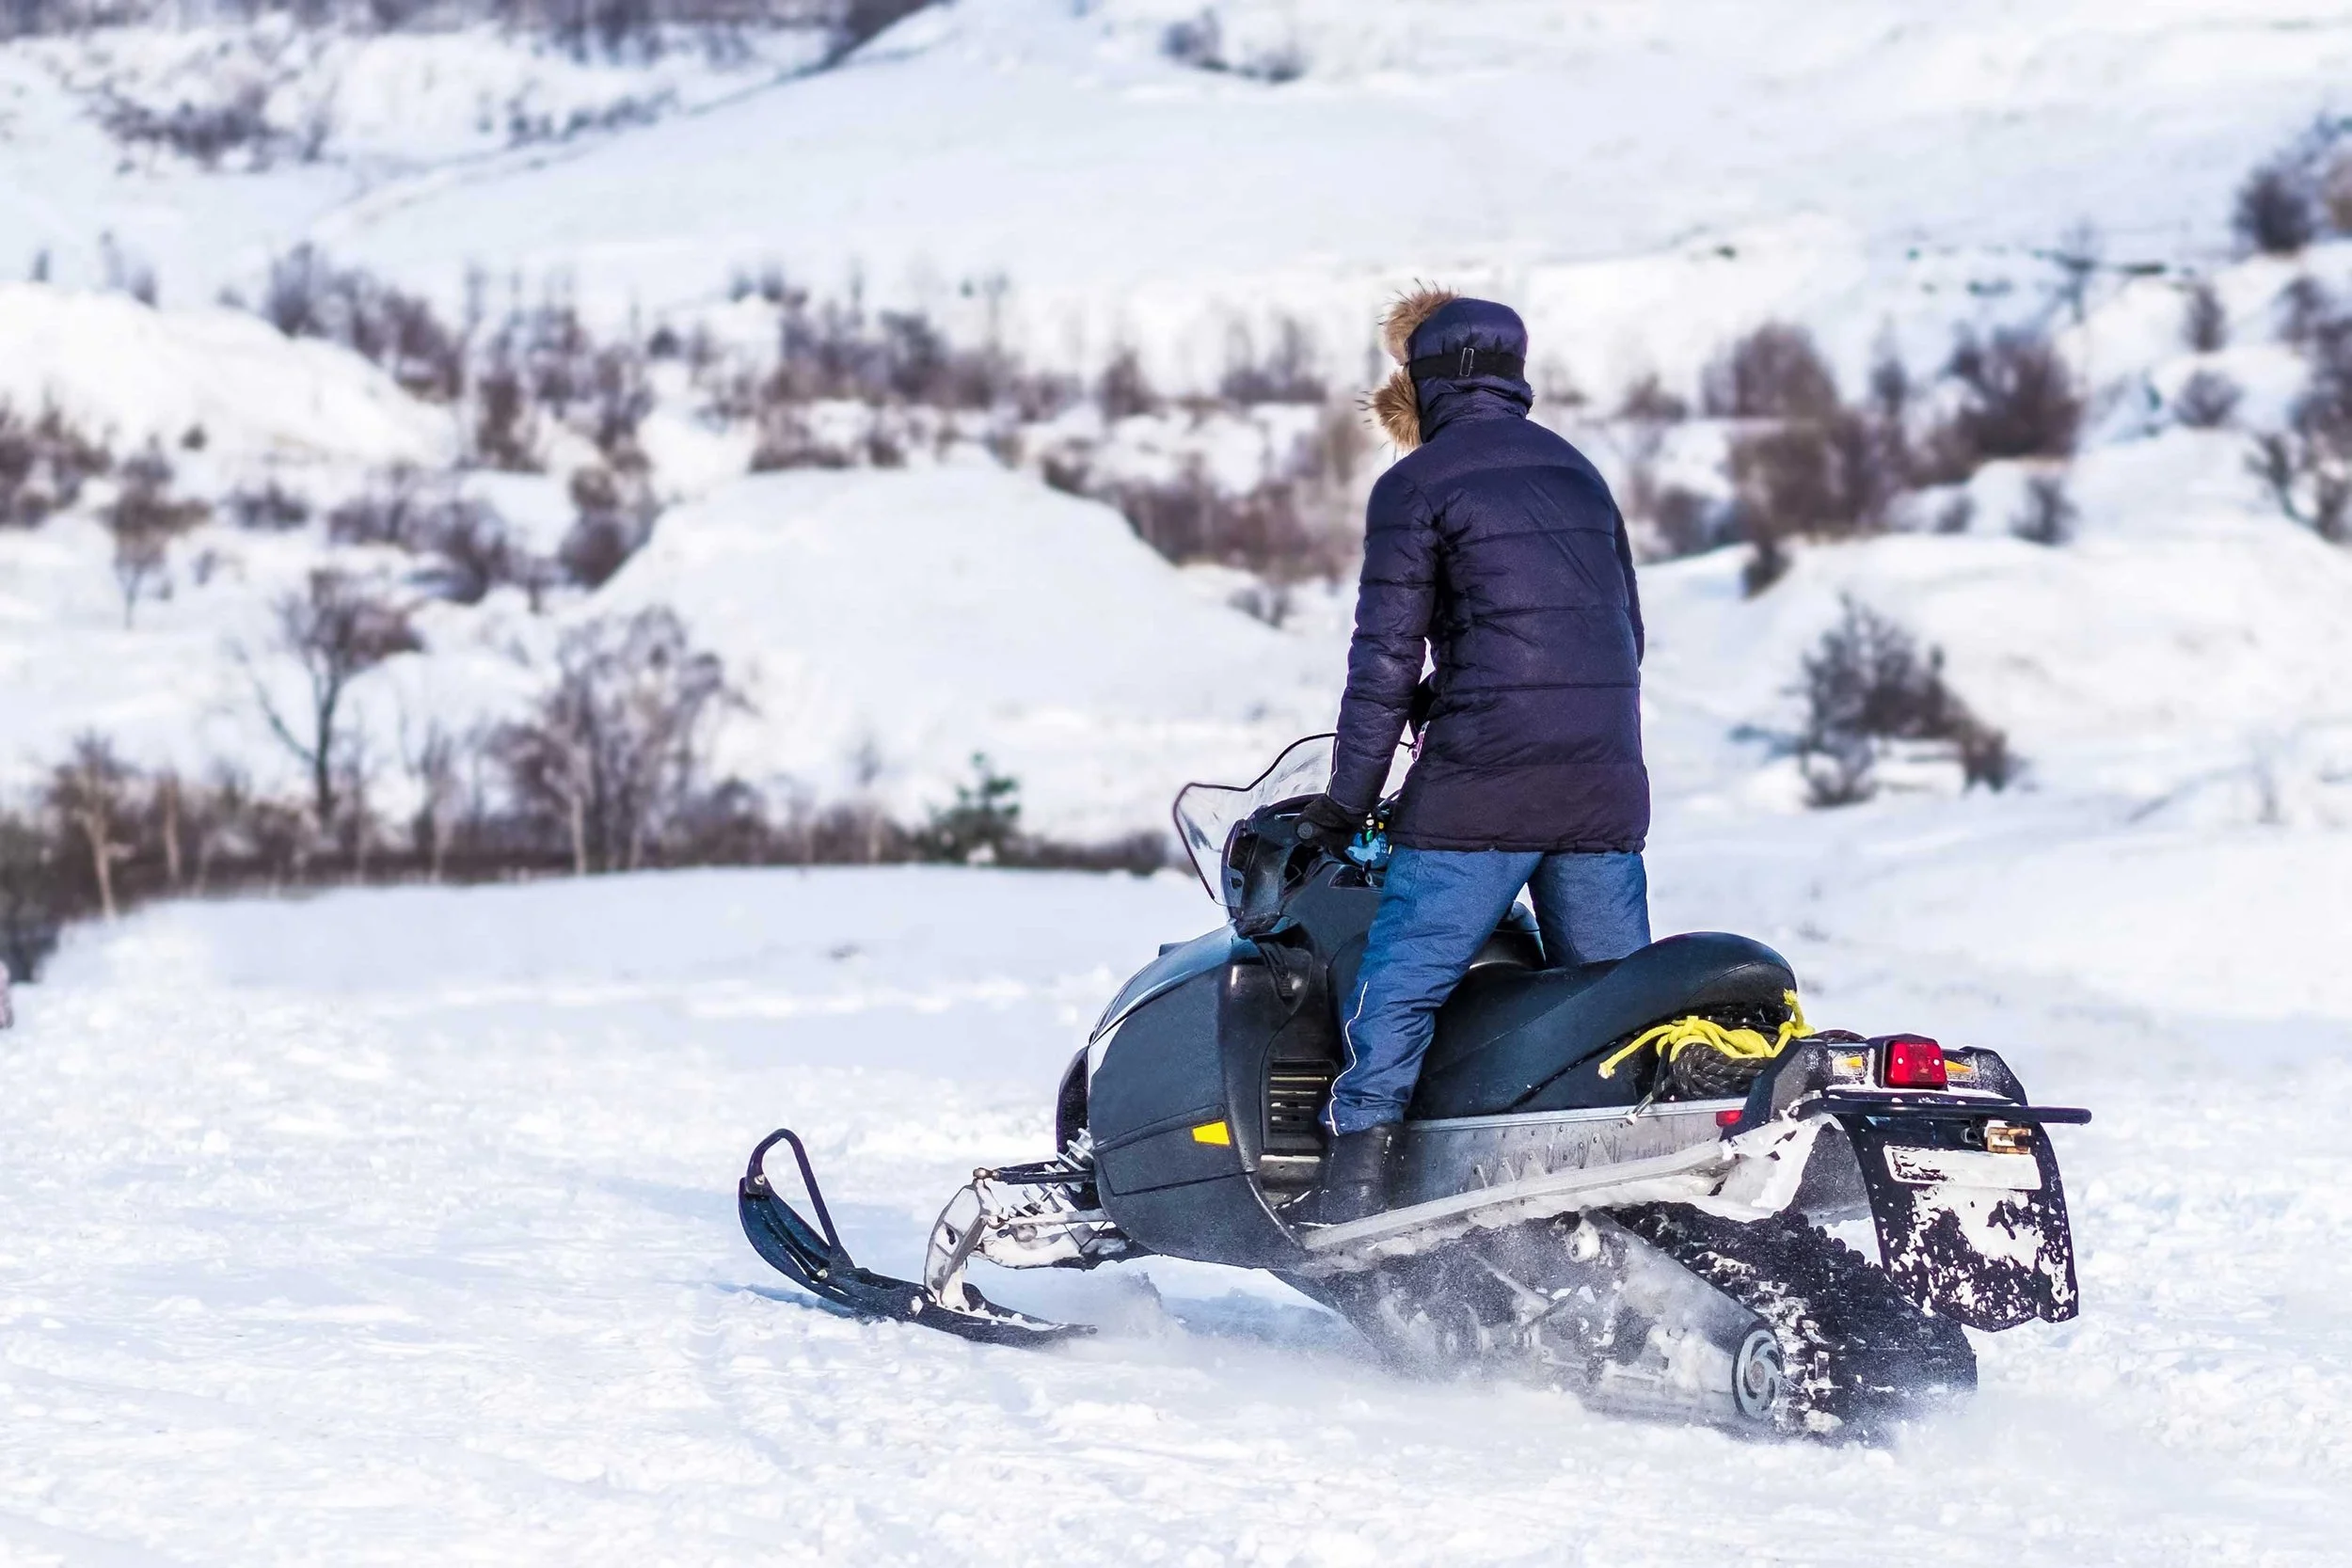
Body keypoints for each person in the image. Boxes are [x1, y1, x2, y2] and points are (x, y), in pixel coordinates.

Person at [1289, 289, 1651, 1226]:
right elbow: (1627, 637)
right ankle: (1627, 1189)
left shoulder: (1417, 485)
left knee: (1399, 982)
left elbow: (1381, 665)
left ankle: (1356, 1181)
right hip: (1603, 786)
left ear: (1425, 378)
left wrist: (1344, 803)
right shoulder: (1580, 475)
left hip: (1481, 789)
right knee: (1612, 1007)